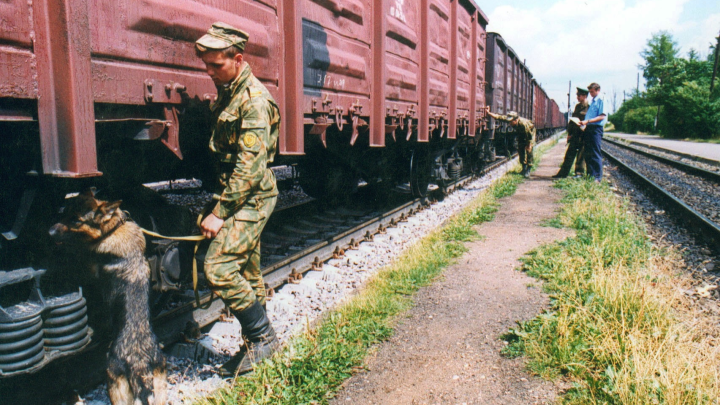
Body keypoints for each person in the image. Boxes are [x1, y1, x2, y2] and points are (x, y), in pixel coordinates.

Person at [195, 22, 281, 376]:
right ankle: (256, 349)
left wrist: (219, 212)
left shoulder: (254, 101)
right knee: (247, 270)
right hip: (238, 193)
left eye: (216, 65)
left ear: (238, 58)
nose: (209, 71)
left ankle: (264, 337)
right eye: (207, 65)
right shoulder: (230, 89)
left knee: (218, 267)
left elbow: (249, 168)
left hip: (252, 196)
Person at [485, 107, 536, 178]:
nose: (510, 123)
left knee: (529, 151)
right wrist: (489, 113)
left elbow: (529, 136)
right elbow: (499, 117)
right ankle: (524, 168)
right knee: (521, 149)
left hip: (530, 133)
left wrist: (529, 144)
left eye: (511, 121)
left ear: (516, 120)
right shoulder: (511, 119)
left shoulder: (524, 124)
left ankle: (528, 169)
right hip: (521, 134)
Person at [553, 87, 589, 178]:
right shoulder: (577, 106)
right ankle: (563, 173)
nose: (577, 97)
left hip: (583, 135)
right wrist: (569, 133)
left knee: (581, 156)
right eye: (577, 95)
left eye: (579, 95)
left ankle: (579, 173)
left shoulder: (589, 107)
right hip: (575, 134)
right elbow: (572, 121)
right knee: (569, 154)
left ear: (585, 96)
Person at [579, 82, 608, 182]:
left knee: (595, 152)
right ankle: (590, 174)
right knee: (588, 152)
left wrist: (588, 121)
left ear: (598, 90)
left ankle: (597, 177)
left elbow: (602, 116)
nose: (590, 94)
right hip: (589, 128)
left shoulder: (601, 99)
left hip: (596, 129)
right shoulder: (593, 101)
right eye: (590, 92)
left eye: (592, 92)